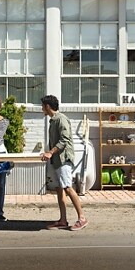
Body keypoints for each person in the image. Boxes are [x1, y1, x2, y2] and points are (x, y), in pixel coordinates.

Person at [40, 95, 88, 231]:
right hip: (57, 160)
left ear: (47, 106)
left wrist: (50, 152)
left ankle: (82, 218)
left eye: (43, 106)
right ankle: (63, 220)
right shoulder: (53, 120)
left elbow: (64, 139)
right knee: (59, 189)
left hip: (63, 159)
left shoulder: (61, 119)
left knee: (67, 187)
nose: (42, 109)